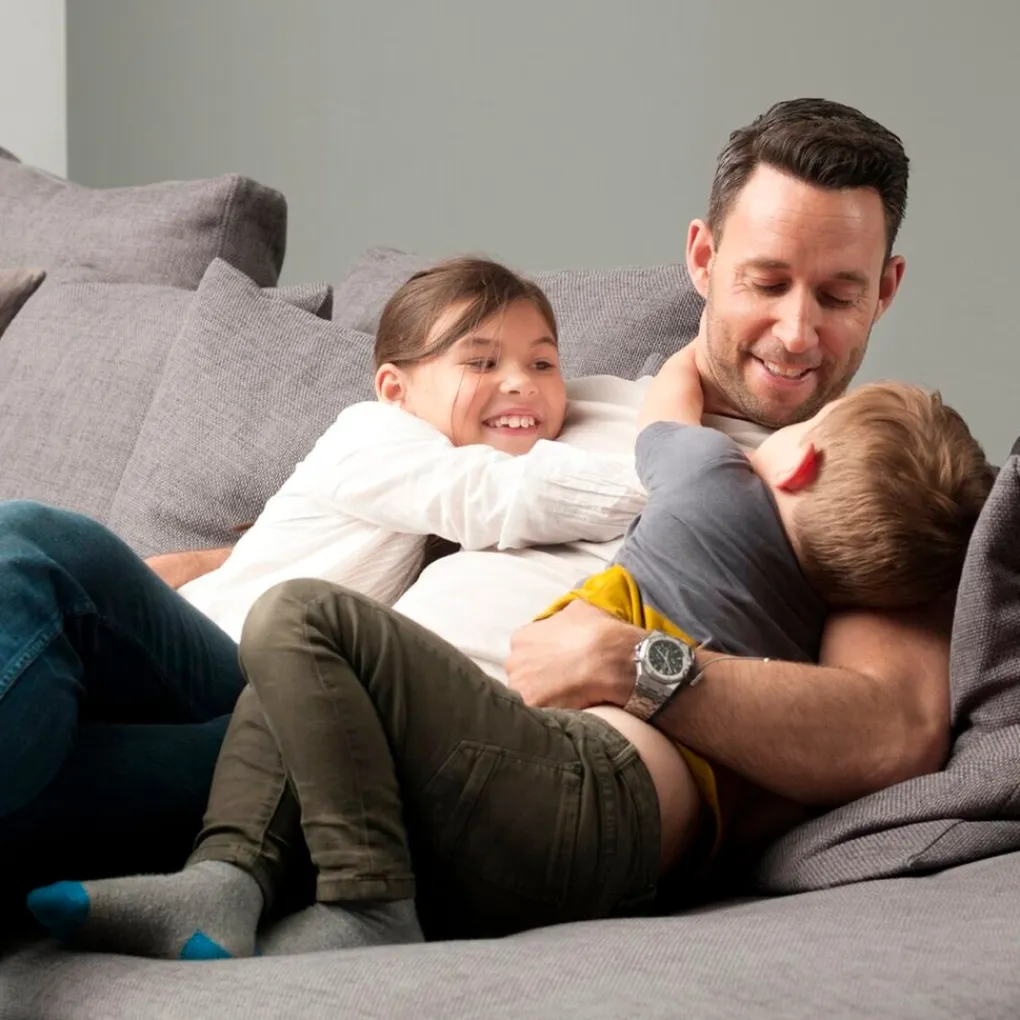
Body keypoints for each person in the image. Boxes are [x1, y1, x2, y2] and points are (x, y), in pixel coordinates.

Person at [24, 330, 991, 960]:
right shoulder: (827, 589)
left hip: (539, 766)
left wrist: (699, 366)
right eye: (765, 281)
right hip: (575, 824)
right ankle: (225, 886)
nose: (794, 332)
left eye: (834, 296)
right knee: (48, 545)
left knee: (305, 619)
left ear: (804, 455)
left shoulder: (714, 474)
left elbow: (671, 404)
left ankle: (351, 899)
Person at [0, 257, 645, 912]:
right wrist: (684, 475)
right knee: (35, 537)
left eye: (543, 363)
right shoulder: (375, 434)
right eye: (481, 362)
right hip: (216, 664)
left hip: (274, 726)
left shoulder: (468, 539)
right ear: (395, 390)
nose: (521, 383)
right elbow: (494, 496)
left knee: (57, 788)